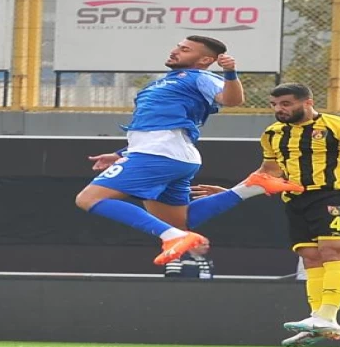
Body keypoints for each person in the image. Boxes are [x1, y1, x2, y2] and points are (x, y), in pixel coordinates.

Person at [191, 83, 340, 347]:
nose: (279, 109)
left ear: (307, 102)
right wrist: (233, 192)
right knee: (310, 256)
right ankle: (317, 320)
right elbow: (268, 172)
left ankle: (328, 316)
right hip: (296, 199)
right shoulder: (273, 134)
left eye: (286, 104)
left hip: (337, 194)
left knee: (333, 250)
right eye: (274, 105)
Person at [74, 35, 302, 266]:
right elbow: (158, 126)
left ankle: (172, 237)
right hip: (170, 154)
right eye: (178, 46)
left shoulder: (200, 77)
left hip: (159, 154)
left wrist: (230, 73)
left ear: (205, 60)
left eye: (185, 49)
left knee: (89, 199)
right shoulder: (165, 82)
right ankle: (251, 187)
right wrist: (121, 153)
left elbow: (231, 99)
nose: (175, 51)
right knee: (178, 222)